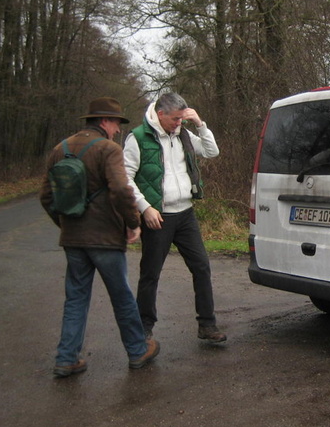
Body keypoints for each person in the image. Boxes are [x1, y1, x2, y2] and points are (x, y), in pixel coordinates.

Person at [40, 97, 160, 378]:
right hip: (105, 238)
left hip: (73, 239)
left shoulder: (60, 149)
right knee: (121, 296)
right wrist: (133, 223)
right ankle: (137, 350)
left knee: (75, 299)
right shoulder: (108, 149)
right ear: (105, 122)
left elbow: (46, 197)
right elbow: (121, 190)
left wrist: (65, 225)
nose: (118, 129)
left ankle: (67, 358)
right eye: (116, 123)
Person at [123, 93, 225, 342]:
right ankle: (144, 328)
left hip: (185, 214)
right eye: (176, 119)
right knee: (150, 274)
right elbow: (125, 177)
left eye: (182, 118)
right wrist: (145, 207)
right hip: (158, 217)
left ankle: (207, 325)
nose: (180, 123)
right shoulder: (137, 138)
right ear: (160, 115)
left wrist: (200, 124)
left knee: (201, 267)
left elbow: (211, 151)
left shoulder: (184, 135)